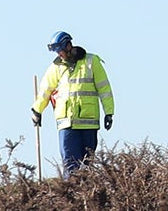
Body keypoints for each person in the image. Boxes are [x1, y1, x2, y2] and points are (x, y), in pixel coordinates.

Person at [33, 32, 115, 177]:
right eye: (56, 51)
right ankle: (70, 196)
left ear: (68, 46)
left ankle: (88, 196)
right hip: (66, 124)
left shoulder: (91, 62)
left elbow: (104, 88)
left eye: (60, 50)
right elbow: (46, 90)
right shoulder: (56, 67)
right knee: (70, 164)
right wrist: (37, 110)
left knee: (87, 165)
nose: (59, 54)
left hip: (88, 123)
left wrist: (109, 112)